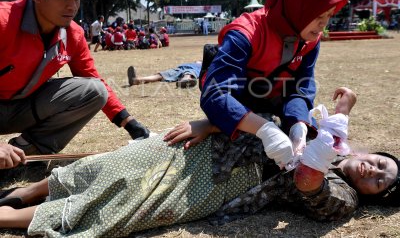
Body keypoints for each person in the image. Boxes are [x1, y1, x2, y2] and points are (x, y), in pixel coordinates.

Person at [0, 87, 398, 236]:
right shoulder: (319, 129)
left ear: (374, 197)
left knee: (116, 206)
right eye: (380, 164)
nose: (373, 173)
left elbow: (308, 180)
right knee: (105, 164)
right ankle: (17, 196)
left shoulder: (343, 199)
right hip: (211, 145)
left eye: (380, 182)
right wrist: (208, 123)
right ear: (372, 154)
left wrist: (336, 124)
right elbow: (266, 115)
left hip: (222, 186)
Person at [0, 0, 149, 156]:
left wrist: (129, 122)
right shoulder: (3, 22)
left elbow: (92, 79)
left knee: (95, 90)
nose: (72, 7)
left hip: (22, 107)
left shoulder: (73, 34)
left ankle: (27, 150)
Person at [200, 0, 349, 169]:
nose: (324, 24)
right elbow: (215, 95)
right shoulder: (245, 34)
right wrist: (265, 129)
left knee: (317, 151)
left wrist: (298, 126)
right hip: (243, 104)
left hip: (274, 101)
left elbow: (301, 87)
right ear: (298, 7)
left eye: (329, 15)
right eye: (318, 16)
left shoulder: (310, 39)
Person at [127, 61, 202, 88]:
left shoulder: (207, 65)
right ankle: (136, 80)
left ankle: (186, 80)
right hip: (179, 69)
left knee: (189, 72)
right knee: (161, 75)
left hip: (191, 70)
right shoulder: (201, 62)